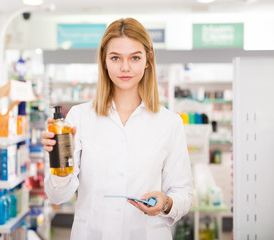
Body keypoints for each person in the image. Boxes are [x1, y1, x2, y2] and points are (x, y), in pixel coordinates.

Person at [42, 17, 193, 240]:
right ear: (104, 60)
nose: (125, 67)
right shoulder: (79, 118)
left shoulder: (169, 122)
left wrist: (166, 203)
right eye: (115, 57)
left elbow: (183, 194)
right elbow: (57, 196)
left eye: (134, 57)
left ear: (147, 60)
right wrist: (61, 165)